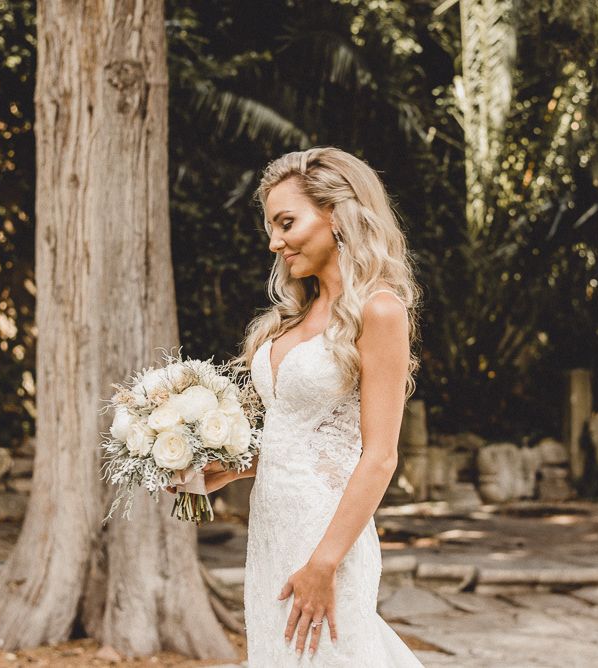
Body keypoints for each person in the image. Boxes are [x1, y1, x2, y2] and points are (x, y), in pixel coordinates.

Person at [203, 147, 426, 666]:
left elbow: (379, 455)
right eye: (271, 226)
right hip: (272, 531)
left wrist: (324, 564)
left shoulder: (380, 310)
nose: (274, 241)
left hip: (329, 538)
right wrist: (222, 470)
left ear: (337, 214)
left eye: (286, 222)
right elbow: (298, 437)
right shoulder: (291, 318)